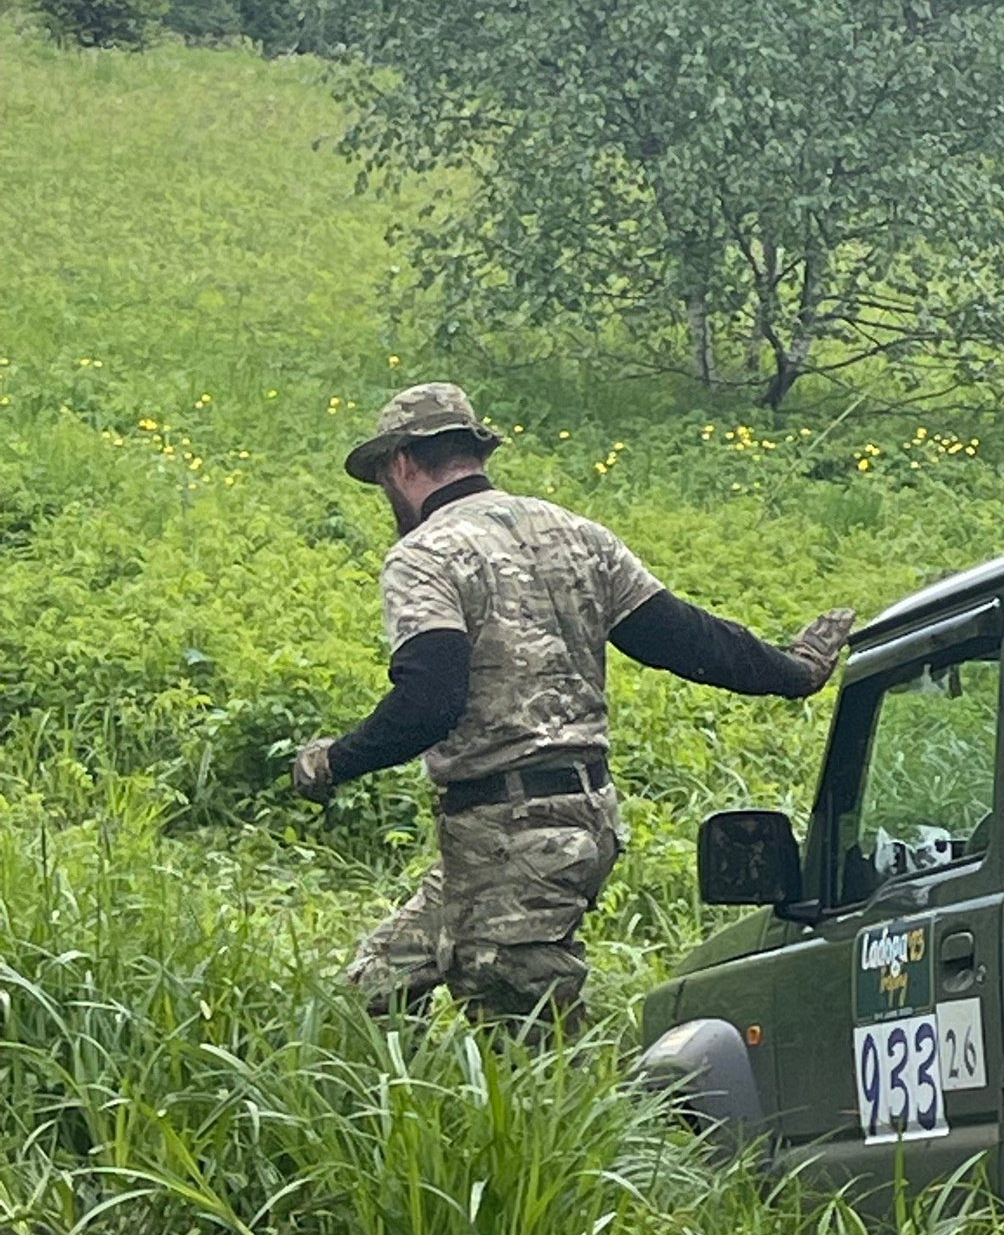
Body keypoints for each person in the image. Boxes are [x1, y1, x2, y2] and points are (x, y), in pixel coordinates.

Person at [294, 381, 862, 1028]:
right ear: (473, 451)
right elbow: (686, 639)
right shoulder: (576, 533)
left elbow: (431, 699)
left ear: (399, 463)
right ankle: (427, 1119)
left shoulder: (425, 555)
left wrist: (331, 761)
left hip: (509, 830)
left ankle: (613, 1120)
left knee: (531, 1047)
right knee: (371, 995)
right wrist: (794, 670)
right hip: (567, 821)